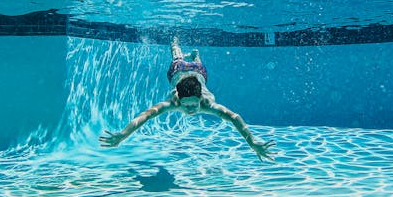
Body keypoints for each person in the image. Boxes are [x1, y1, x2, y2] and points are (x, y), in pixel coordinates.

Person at [99, 38, 276, 161]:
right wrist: (123, 135)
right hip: (179, 70)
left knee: (197, 63)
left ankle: (195, 56)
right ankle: (176, 43)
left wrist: (252, 142)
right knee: (176, 56)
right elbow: (147, 115)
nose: (191, 110)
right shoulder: (174, 101)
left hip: (198, 71)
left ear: (200, 98)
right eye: (187, 105)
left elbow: (234, 117)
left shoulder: (206, 103)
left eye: (194, 104)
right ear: (179, 98)